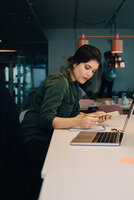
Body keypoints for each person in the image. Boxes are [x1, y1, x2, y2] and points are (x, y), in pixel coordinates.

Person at [21, 44, 112, 200]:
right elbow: (46, 119)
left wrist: (90, 116)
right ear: (75, 63)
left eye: (93, 71)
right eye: (87, 67)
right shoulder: (59, 82)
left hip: (49, 136)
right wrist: (78, 122)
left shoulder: (73, 82)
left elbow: (74, 113)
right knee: (71, 164)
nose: (89, 74)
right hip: (35, 139)